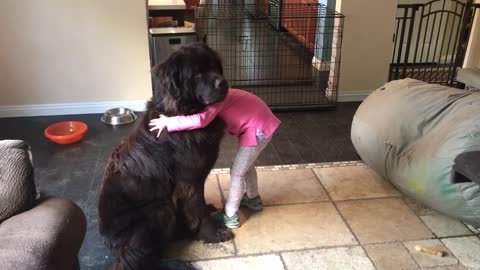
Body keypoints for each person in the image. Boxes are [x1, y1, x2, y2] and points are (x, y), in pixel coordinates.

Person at [149, 88, 281, 228]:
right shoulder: (217, 93)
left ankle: (230, 216)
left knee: (237, 172)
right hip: (260, 124)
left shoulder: (216, 99)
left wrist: (169, 122)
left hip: (257, 129)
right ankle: (253, 199)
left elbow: (201, 120)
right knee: (247, 165)